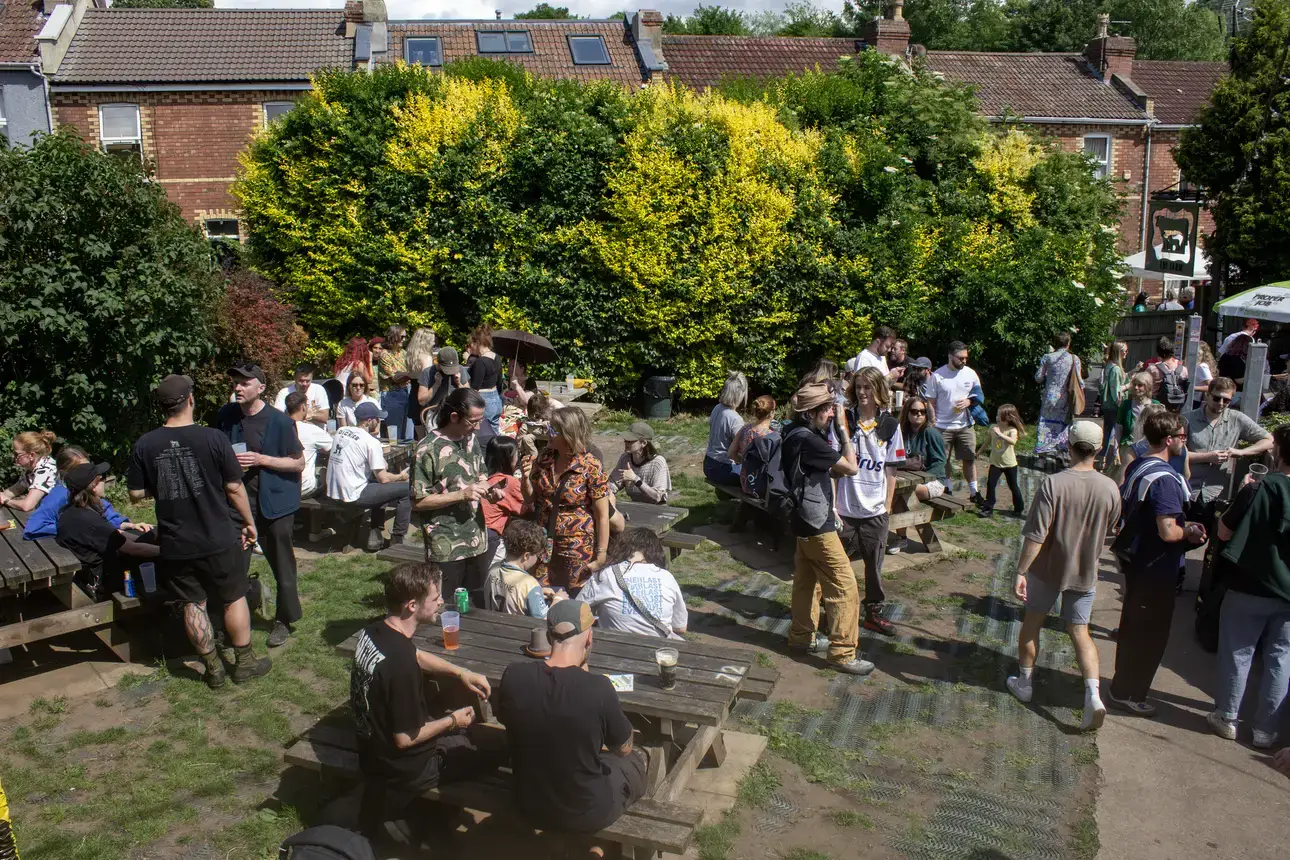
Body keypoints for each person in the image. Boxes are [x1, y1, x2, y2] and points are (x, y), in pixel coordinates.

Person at [128, 374, 270, 688]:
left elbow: (136, 493)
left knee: (193, 604)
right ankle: (245, 663)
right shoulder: (213, 438)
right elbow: (234, 488)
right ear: (190, 399)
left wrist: (161, 485)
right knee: (234, 597)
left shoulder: (145, 444)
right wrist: (249, 523)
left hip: (177, 542)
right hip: (218, 535)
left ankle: (213, 670)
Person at [350, 563, 495, 840]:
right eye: (436, 597)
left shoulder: (375, 631)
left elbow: (415, 654)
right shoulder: (400, 667)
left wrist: (461, 672)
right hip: (401, 767)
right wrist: (453, 721)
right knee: (487, 748)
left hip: (369, 747)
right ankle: (426, 816)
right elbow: (405, 738)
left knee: (448, 713)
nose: (441, 602)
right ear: (412, 606)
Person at [495, 600, 648, 834]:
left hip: (528, 805)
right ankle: (602, 848)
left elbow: (507, 719)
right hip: (586, 812)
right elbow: (623, 748)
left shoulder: (514, 676)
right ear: (589, 638)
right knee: (635, 761)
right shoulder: (598, 688)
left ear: (549, 636)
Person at [1006, 421, 1120, 731]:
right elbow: (1112, 528)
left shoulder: (1053, 484)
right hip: (1085, 572)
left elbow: (1036, 535)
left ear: (1068, 446)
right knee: (1080, 632)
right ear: (1099, 449)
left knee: (1032, 622)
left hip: (1047, 570)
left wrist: (1021, 570)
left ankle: (1025, 683)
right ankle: (1093, 695)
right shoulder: (1110, 487)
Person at [1109, 411, 1208, 715]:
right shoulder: (1165, 480)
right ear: (1168, 440)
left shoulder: (1139, 465)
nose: (1185, 442)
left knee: (1133, 628)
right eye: (1182, 437)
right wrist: (1189, 531)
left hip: (1139, 563)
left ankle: (1120, 687)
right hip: (1157, 568)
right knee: (1150, 635)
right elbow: (1167, 531)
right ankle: (1129, 693)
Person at [1206, 424, 1290, 747]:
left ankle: (1227, 717)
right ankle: (1266, 731)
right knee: (1281, 658)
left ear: (1278, 452)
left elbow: (1224, 532)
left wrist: (1243, 493)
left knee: (1238, 651)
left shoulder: (1258, 488)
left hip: (1247, 585)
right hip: (1288, 594)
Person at [782, 383, 871, 675]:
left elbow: (821, 469)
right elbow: (851, 467)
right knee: (844, 587)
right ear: (811, 412)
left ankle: (801, 637)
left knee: (807, 582)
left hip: (800, 519)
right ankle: (843, 653)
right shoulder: (811, 441)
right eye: (828, 409)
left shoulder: (792, 432)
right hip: (817, 524)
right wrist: (844, 431)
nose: (832, 413)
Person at [216, 362, 305, 648]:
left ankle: (284, 619)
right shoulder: (226, 416)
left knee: (282, 565)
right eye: (236, 382)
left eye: (245, 383)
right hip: (238, 504)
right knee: (234, 566)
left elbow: (298, 463)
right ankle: (231, 624)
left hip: (276, 503)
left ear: (261, 387)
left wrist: (261, 459)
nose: (238, 387)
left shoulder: (280, 421)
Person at [835, 368, 903, 636]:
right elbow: (833, 464)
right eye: (859, 387)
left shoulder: (890, 425)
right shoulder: (845, 420)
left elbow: (891, 469)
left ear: (878, 390)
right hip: (845, 509)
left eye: (868, 387)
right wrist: (833, 506)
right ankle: (835, 612)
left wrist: (886, 507)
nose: (862, 392)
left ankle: (873, 613)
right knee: (837, 565)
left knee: (874, 568)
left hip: (874, 511)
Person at [412, 388, 496, 603]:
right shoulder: (427, 449)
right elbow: (418, 502)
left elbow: (481, 475)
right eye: (473, 421)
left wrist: (490, 490)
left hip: (477, 540)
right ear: (454, 417)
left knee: (477, 603)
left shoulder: (471, 440)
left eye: (480, 420)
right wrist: (461, 495)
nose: (478, 427)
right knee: (446, 605)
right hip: (446, 546)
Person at [525, 406, 610, 593]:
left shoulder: (591, 466)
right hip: (543, 540)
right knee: (541, 592)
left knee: (575, 595)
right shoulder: (545, 457)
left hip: (576, 544)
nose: (547, 432)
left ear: (568, 434)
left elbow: (602, 514)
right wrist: (525, 479)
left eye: (553, 429)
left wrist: (601, 555)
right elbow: (530, 497)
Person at [56, 461, 161, 599]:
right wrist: (168, 550)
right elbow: (133, 549)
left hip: (89, 572)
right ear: (93, 487)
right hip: (106, 579)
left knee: (153, 534)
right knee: (165, 554)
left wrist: (148, 538)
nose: (105, 481)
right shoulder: (90, 521)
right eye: (102, 479)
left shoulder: (71, 512)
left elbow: (113, 534)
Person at [327, 402, 412, 550]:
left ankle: (375, 530)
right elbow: (383, 478)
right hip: (353, 495)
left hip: (333, 492)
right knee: (407, 489)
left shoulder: (341, 431)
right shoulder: (371, 442)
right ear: (368, 421)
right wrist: (400, 476)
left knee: (379, 487)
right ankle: (397, 539)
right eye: (377, 419)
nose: (379, 422)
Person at [576, 527, 687, 639]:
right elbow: (680, 627)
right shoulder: (667, 577)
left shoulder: (606, 574)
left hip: (614, 646)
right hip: (659, 647)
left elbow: (575, 611)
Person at [23, 445, 150, 540]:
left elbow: (107, 516)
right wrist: (78, 529)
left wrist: (130, 525)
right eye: (81, 469)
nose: (89, 472)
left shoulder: (88, 490)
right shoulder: (58, 496)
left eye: (89, 467)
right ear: (64, 473)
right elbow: (34, 528)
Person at [1184, 376, 1273, 510]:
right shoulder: (1187, 419)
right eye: (1216, 398)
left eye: (1226, 400)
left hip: (1217, 494)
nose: (1221, 403)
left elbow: (1269, 440)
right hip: (1188, 489)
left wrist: (1241, 452)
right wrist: (1208, 457)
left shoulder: (1236, 419)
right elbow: (1176, 452)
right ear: (1207, 395)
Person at [889, 395, 947, 554]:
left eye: (922, 411)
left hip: (934, 482)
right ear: (907, 413)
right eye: (914, 411)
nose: (919, 414)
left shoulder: (931, 433)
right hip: (909, 477)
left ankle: (900, 537)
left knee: (901, 493)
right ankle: (899, 536)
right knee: (896, 491)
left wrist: (923, 477)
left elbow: (940, 462)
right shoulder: (902, 433)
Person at [930, 342, 983, 504]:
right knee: (943, 460)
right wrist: (933, 422)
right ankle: (947, 488)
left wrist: (969, 401)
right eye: (960, 358)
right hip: (942, 426)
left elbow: (979, 395)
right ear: (950, 356)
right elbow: (930, 402)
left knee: (969, 459)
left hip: (965, 425)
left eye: (966, 358)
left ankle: (974, 492)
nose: (964, 361)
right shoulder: (937, 376)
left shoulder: (970, 374)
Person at [483, 518, 552, 617]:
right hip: (515, 626)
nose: (537, 559)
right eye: (537, 555)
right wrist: (558, 599)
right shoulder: (529, 585)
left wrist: (538, 593)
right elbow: (543, 620)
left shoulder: (493, 569)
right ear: (526, 556)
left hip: (491, 621)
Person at [482, 435, 528, 563]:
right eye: (516, 454)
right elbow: (525, 509)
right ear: (507, 458)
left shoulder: (483, 477)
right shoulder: (509, 482)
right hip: (491, 535)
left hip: (479, 531)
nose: (518, 457)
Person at [1035, 332, 1082, 454]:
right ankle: (1060, 451)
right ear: (1068, 343)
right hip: (1065, 397)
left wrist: (1048, 375)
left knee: (1045, 423)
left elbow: (1038, 378)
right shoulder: (1074, 359)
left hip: (1049, 396)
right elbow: (1080, 382)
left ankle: (1043, 452)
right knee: (1063, 424)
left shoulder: (1047, 357)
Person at [977, 404, 1026, 518]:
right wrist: (979, 452)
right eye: (997, 414)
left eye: (1000, 415)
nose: (997, 417)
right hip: (995, 463)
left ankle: (1018, 508)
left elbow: (1013, 441)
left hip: (1010, 464)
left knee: (1013, 486)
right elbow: (987, 442)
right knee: (991, 484)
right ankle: (988, 508)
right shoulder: (993, 427)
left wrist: (1000, 434)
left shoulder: (1012, 430)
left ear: (1008, 417)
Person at [610, 422, 671, 505]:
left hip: (656, 508)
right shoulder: (625, 459)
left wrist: (636, 479)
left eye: (630, 440)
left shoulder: (657, 463)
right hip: (636, 507)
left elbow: (657, 497)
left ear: (643, 443)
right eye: (625, 440)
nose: (626, 442)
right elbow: (613, 484)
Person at [286, 392, 333, 500]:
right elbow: (334, 448)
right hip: (304, 488)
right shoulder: (312, 430)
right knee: (324, 470)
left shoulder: (277, 427)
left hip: (282, 487)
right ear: (303, 407)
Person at [704, 371, 747, 487]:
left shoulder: (717, 408)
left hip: (708, 465)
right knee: (757, 476)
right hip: (723, 469)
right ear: (740, 394)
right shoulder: (735, 419)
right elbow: (741, 451)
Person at [1, 430, 58, 513]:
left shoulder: (45, 471)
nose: (13, 456)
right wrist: (2, 496)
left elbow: (27, 506)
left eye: (16, 454)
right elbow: (16, 489)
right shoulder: (34, 468)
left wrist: (6, 501)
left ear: (31, 455)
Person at [466, 325, 505, 434]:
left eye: (471, 343)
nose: (470, 346)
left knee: (482, 435)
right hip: (496, 400)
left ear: (477, 342)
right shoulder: (496, 357)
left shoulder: (480, 362)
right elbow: (499, 382)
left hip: (484, 401)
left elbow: (475, 388)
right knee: (494, 433)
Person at [728, 395, 776, 482]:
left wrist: (745, 461)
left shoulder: (745, 429)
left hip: (746, 480)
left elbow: (731, 454)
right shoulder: (772, 436)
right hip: (763, 483)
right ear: (772, 413)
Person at [417, 346, 471, 417]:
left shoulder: (460, 369)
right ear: (438, 363)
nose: (450, 372)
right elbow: (422, 401)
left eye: (452, 368)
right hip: (435, 413)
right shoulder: (427, 372)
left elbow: (469, 397)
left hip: (455, 412)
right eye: (447, 369)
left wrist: (459, 383)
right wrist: (436, 385)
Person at [377, 325, 410, 442]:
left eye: (405, 337)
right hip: (391, 395)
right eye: (402, 336)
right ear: (394, 336)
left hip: (405, 392)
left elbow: (405, 374)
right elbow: (396, 377)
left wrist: (407, 374)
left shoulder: (404, 353)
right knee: (394, 435)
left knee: (405, 434)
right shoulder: (385, 354)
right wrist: (411, 374)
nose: (404, 339)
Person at [1100, 341, 1129, 469]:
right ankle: (1111, 460)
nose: (1126, 353)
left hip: (1107, 405)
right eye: (1125, 351)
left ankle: (1102, 459)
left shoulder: (1109, 365)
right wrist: (1129, 386)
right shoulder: (1116, 369)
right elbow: (1116, 390)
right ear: (1119, 352)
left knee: (1107, 432)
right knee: (1115, 433)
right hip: (1114, 405)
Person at [1145, 336, 1189, 413]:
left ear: (1158, 352)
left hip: (1157, 408)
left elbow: (1143, 384)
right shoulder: (1184, 369)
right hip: (1176, 408)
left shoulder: (1153, 369)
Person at [1192, 341, 1216, 410]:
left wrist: (1192, 388)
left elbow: (1211, 386)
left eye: (1197, 352)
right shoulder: (1197, 365)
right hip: (1193, 399)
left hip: (1195, 400)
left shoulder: (1202, 366)